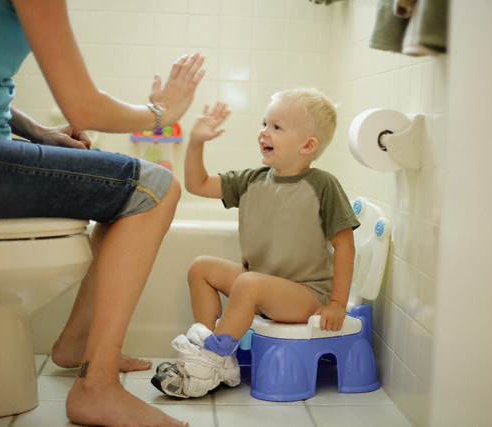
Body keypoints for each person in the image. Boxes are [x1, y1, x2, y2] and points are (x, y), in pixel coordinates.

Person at [0, 1, 205, 426]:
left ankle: (78, 343)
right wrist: (162, 114)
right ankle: (96, 387)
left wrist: (37, 133)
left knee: (117, 190)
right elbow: (83, 107)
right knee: (155, 186)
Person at [152, 88, 360, 399]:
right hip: (261, 287)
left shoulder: (323, 185)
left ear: (308, 145)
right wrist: (196, 142)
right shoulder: (252, 180)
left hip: (306, 294)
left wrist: (336, 304)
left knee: (249, 283)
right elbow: (197, 184)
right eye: (265, 124)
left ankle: (210, 362)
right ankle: (210, 350)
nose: (264, 132)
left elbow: (345, 246)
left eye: (276, 127)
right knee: (202, 268)